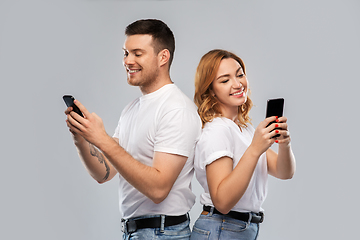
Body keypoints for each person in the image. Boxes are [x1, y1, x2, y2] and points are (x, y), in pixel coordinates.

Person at [64, 19, 202, 240]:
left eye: (137, 53)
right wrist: (82, 138)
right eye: (125, 53)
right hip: (137, 232)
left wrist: (102, 139)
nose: (128, 61)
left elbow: (158, 189)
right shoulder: (131, 110)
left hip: (164, 234)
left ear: (163, 57)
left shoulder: (176, 109)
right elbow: (105, 172)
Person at [190, 49, 296, 240]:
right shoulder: (217, 130)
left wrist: (284, 144)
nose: (238, 84)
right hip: (221, 228)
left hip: (238, 229)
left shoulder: (244, 130)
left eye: (240, 74)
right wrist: (255, 149)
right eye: (225, 80)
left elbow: (284, 172)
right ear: (211, 91)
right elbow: (222, 201)